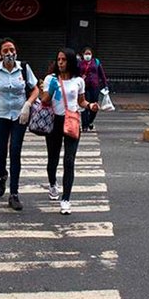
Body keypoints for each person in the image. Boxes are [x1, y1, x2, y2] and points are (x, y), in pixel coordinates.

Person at [38, 47, 99, 214]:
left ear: (70, 62)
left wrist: (90, 106)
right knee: (53, 158)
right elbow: (43, 101)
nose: (60, 62)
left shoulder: (78, 81)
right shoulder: (51, 79)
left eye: (64, 60)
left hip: (71, 120)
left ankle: (66, 199)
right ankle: (52, 184)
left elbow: (81, 101)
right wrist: (50, 91)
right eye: (58, 60)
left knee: (69, 161)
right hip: (54, 122)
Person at [0, 37, 39, 210]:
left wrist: (27, 105)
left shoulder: (24, 68)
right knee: (0, 152)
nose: (9, 53)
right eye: (5, 51)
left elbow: (36, 88)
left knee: (15, 151)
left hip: (19, 116)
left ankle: (14, 194)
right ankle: (2, 175)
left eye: (12, 50)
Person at [78, 46, 108, 132]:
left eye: (89, 54)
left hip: (95, 86)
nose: (87, 55)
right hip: (84, 87)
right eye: (86, 54)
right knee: (85, 105)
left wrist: (105, 84)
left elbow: (102, 74)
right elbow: (76, 74)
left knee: (94, 106)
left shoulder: (96, 62)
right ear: (83, 55)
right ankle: (85, 125)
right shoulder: (80, 64)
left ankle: (90, 121)